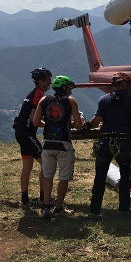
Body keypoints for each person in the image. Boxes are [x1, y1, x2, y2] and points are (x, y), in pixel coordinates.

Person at [85, 72, 131, 215]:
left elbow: (96, 120)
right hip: (124, 141)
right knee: (125, 176)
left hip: (105, 141)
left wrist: (86, 126)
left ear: (113, 85)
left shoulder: (103, 100)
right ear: (125, 85)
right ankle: (124, 208)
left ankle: (94, 210)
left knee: (100, 176)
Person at [32, 75, 82, 220]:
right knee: (64, 178)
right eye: (69, 88)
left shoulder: (44, 100)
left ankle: (46, 207)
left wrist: (49, 123)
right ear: (65, 88)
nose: (71, 92)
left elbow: (35, 122)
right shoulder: (71, 101)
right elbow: (78, 125)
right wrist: (70, 124)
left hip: (47, 142)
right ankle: (58, 208)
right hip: (64, 143)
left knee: (47, 176)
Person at [13, 67, 52, 207]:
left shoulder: (33, 93)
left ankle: (24, 200)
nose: (50, 83)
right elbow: (34, 119)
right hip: (28, 134)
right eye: (48, 80)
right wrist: (50, 125)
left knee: (27, 167)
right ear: (41, 81)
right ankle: (43, 198)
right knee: (46, 164)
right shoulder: (39, 94)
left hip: (21, 133)